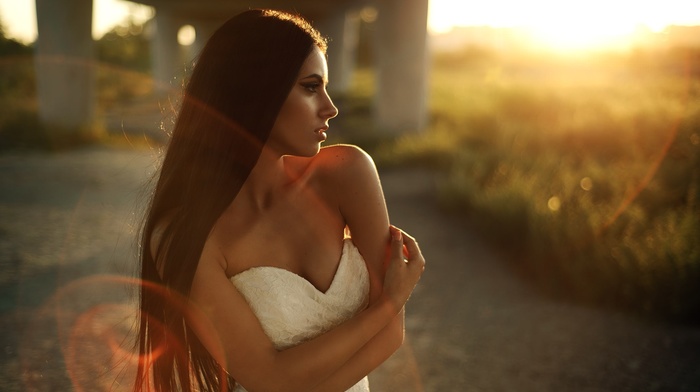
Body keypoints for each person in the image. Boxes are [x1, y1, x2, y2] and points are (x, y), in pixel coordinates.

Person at [134, 9, 425, 392]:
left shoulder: (347, 173)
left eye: (325, 87)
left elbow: (391, 337)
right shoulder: (184, 233)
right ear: (253, 91)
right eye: (310, 87)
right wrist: (388, 304)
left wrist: (389, 313)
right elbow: (268, 379)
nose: (330, 107)